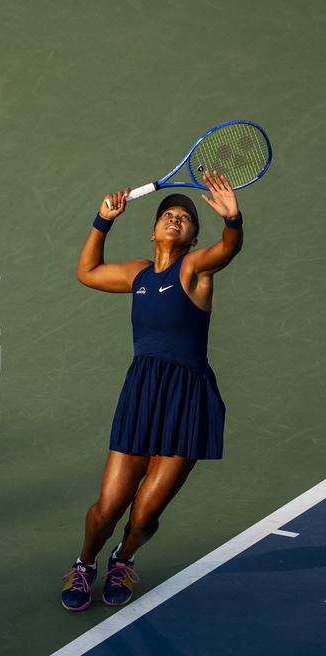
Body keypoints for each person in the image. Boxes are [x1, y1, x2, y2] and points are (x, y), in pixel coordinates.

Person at [61, 170, 244, 611]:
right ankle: (85, 564)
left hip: (187, 401)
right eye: (169, 215)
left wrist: (233, 222)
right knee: (108, 507)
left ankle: (123, 559)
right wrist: (102, 221)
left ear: (194, 235)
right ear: (153, 229)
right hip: (142, 395)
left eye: (185, 218)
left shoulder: (196, 268)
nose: (176, 220)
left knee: (144, 514)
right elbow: (86, 272)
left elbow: (227, 249)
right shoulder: (139, 275)